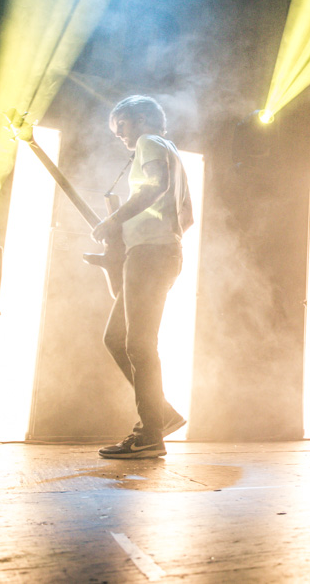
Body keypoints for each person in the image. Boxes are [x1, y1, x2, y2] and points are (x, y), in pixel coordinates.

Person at [91, 95, 193, 459]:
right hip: (156, 253)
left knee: (138, 344)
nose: (118, 134)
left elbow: (155, 186)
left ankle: (150, 434)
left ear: (141, 119)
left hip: (150, 255)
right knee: (117, 338)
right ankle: (161, 415)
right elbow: (186, 215)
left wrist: (114, 221)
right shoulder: (171, 152)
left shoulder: (150, 142)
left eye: (121, 125)